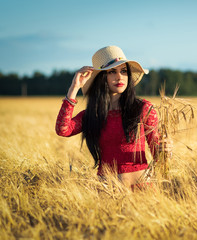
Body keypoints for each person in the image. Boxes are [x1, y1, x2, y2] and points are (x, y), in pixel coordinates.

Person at [55, 45, 171, 188]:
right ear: (102, 78)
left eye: (123, 71)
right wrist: (74, 87)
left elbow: (158, 156)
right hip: (107, 193)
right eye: (112, 72)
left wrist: (165, 151)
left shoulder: (143, 109)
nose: (119, 77)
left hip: (143, 192)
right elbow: (63, 129)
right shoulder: (93, 114)